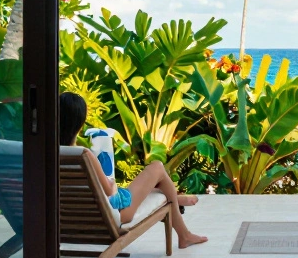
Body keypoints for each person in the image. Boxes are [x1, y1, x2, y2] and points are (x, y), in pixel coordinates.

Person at [59, 92, 207, 249]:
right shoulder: (84, 155)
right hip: (117, 212)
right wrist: (111, 182)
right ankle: (182, 229)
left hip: (74, 215)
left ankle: (174, 199)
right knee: (157, 167)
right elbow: (109, 191)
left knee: (159, 185)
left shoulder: (48, 155)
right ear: (81, 124)